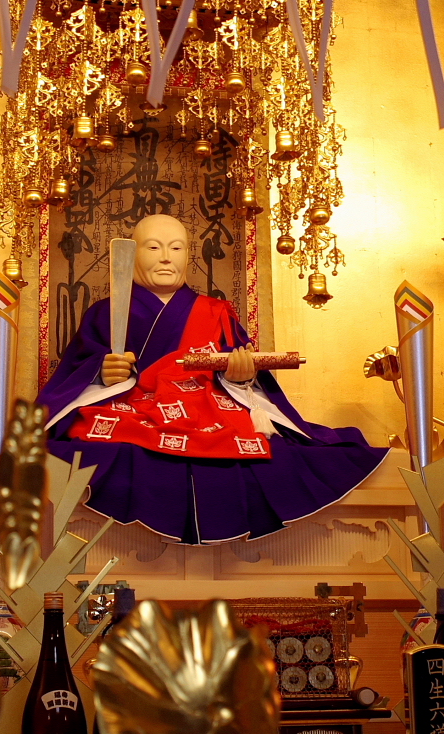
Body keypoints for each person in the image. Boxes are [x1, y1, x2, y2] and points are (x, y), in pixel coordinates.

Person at [38, 214, 388, 544]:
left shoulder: (216, 312)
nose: (166, 257)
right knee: (100, 444)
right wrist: (101, 372)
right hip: (134, 405)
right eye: (153, 247)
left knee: (271, 452)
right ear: (132, 254)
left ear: (188, 255)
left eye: (176, 248)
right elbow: (74, 373)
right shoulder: (105, 312)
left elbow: (243, 374)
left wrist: (240, 377)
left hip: (207, 404)